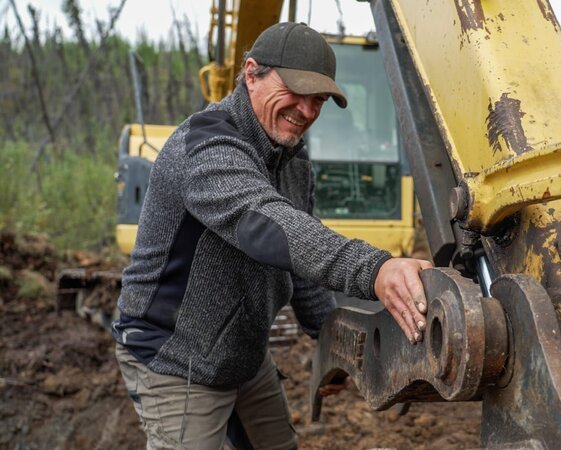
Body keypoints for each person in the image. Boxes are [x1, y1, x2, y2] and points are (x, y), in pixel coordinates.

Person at [112, 22, 431, 449]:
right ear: (251, 73)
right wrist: (377, 268)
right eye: (296, 91)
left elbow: (299, 262)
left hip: (240, 352)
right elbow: (266, 223)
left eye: (318, 99)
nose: (307, 110)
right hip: (175, 352)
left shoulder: (292, 161)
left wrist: (329, 341)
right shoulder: (207, 146)